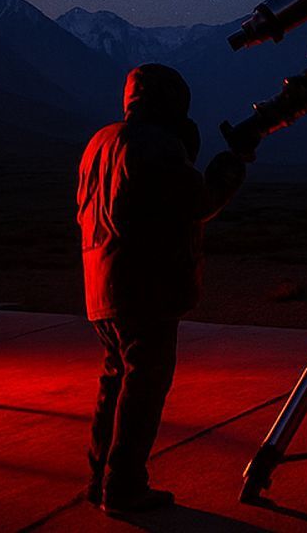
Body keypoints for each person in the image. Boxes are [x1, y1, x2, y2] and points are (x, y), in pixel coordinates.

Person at [78, 63, 246, 514]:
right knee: (144, 389)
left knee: (115, 383)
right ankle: (125, 487)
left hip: (102, 286)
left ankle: (100, 480)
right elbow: (198, 203)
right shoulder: (157, 144)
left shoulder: (100, 141)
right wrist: (231, 166)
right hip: (145, 287)